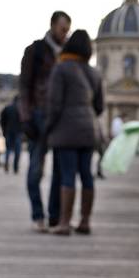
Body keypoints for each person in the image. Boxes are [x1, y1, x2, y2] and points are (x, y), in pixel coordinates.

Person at [46, 30, 104, 236]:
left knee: (67, 175)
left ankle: (64, 222)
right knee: (87, 175)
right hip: (89, 130)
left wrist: (48, 127)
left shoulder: (61, 69)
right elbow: (99, 106)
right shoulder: (94, 73)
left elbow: (54, 104)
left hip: (66, 130)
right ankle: (85, 221)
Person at [19, 11, 71, 232]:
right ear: (52, 26)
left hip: (59, 117)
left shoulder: (68, 54)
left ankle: (53, 217)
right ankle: (38, 215)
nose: (65, 33)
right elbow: (24, 86)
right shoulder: (35, 50)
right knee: (36, 170)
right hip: (39, 115)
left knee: (60, 170)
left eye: (67, 29)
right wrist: (26, 117)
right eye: (62, 29)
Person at [0, 96, 22, 173]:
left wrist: (4, 130)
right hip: (17, 132)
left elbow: (2, 120)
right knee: (17, 151)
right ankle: (15, 167)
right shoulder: (20, 109)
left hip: (8, 131)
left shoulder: (7, 108)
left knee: (8, 149)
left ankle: (6, 164)